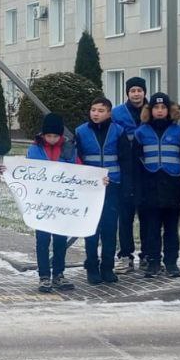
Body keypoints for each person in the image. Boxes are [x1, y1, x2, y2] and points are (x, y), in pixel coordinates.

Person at [133, 92, 180, 278]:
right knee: (151, 229)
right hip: (149, 188)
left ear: (169, 110)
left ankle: (171, 262)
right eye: (156, 108)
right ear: (150, 111)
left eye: (163, 108)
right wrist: (136, 191)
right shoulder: (140, 132)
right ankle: (153, 262)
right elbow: (134, 164)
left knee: (171, 229)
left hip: (172, 187)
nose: (159, 111)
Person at [75, 98, 129, 285]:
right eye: (93, 109)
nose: (96, 113)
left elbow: (125, 159)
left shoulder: (118, 131)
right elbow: (77, 159)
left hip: (112, 186)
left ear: (109, 113)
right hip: (89, 188)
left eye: (100, 110)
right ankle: (92, 266)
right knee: (91, 228)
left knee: (109, 228)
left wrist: (124, 185)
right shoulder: (81, 132)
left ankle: (108, 267)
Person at [27, 113, 81, 293]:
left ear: (60, 135)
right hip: (41, 202)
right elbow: (25, 170)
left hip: (61, 202)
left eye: (55, 136)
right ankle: (44, 276)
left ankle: (58, 273)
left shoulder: (69, 149)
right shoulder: (34, 149)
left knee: (59, 240)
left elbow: (79, 171)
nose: (51, 139)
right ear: (43, 134)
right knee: (42, 240)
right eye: (48, 136)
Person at [111, 77, 146, 274]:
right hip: (125, 169)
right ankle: (125, 256)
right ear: (127, 93)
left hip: (148, 172)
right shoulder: (117, 113)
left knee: (148, 217)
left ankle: (148, 255)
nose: (136, 94)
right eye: (132, 90)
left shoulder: (153, 111)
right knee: (125, 217)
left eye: (139, 90)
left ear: (144, 92)